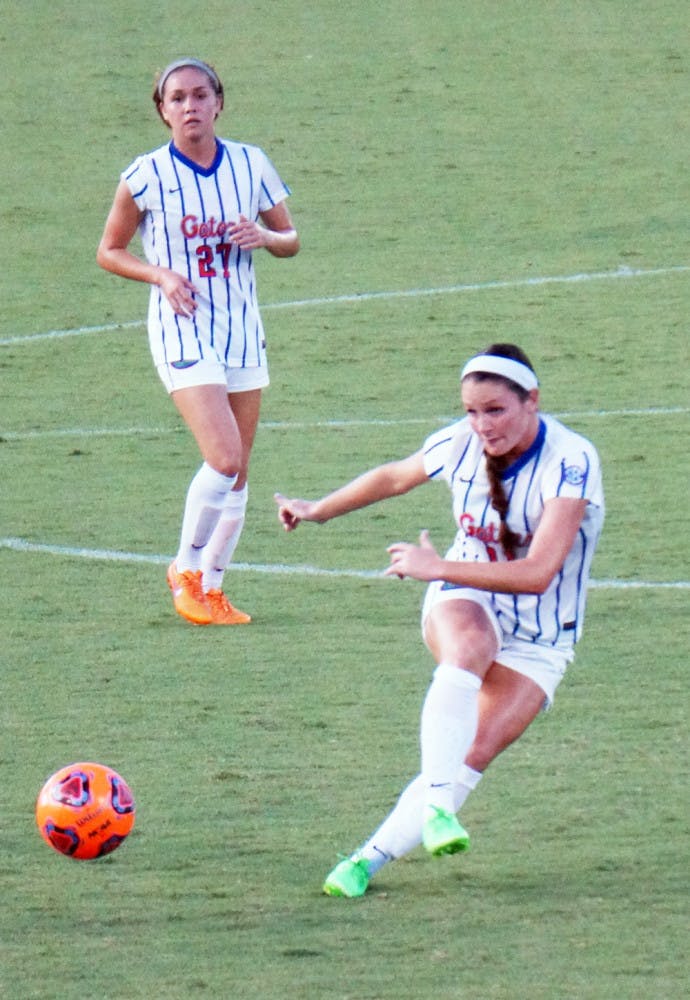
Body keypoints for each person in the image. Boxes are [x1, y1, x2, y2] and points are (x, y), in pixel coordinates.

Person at [275, 343, 604, 896]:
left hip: (543, 635)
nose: (481, 425)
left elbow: (539, 572)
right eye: (472, 411)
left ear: (533, 402)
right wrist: (318, 509)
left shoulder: (571, 461)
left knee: (471, 753)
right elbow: (394, 477)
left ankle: (363, 863)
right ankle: (437, 804)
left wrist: (433, 565)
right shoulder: (461, 442)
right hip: (466, 590)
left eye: (495, 410)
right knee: (468, 647)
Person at [97, 58, 299, 625]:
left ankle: (212, 587)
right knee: (223, 454)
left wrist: (263, 236)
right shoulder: (145, 175)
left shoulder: (250, 163)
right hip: (181, 326)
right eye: (177, 98)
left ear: (218, 102)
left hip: (241, 327)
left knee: (239, 472)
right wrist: (160, 275)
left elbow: (291, 238)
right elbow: (109, 250)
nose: (189, 106)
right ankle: (184, 567)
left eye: (200, 95)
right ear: (162, 110)